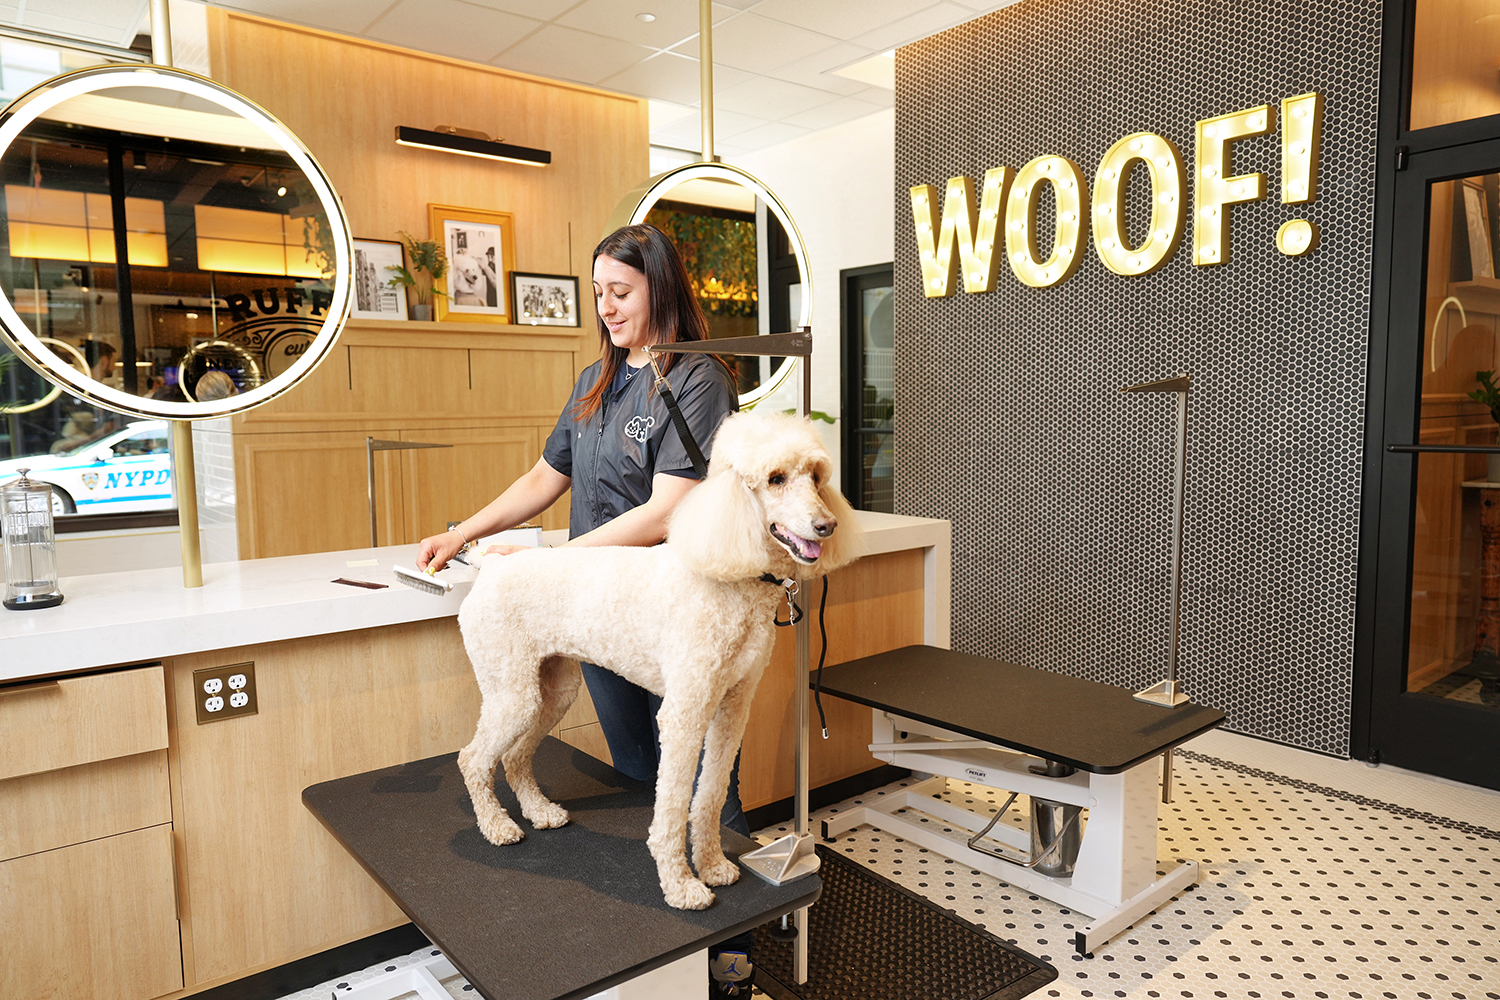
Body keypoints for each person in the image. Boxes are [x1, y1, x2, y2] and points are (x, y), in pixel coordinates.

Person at [417, 223, 757, 997]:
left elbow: (667, 510)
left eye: (621, 292)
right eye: (598, 292)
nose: (606, 306)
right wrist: (465, 532)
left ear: (659, 288)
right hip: (598, 609)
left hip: (678, 610)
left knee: (709, 772)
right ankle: (667, 963)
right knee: (638, 773)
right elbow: (545, 478)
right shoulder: (595, 379)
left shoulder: (697, 377)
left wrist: (553, 563)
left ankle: (732, 964)